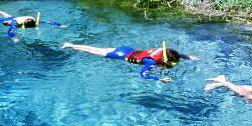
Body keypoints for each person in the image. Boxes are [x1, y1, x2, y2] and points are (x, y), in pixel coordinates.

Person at [62, 41, 197, 82]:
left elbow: (175, 54)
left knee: (97, 48)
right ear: (166, 60)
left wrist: (188, 57)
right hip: (121, 54)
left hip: (127, 48)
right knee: (93, 50)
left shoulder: (163, 52)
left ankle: (72, 45)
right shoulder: (151, 62)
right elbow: (143, 75)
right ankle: (70, 45)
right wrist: (158, 79)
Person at [0, 7, 66, 42]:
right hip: (12, 20)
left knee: (10, 16)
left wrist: (60, 24)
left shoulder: (33, 21)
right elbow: (9, 32)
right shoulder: (14, 25)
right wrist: (14, 38)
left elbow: (49, 22)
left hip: (16, 18)